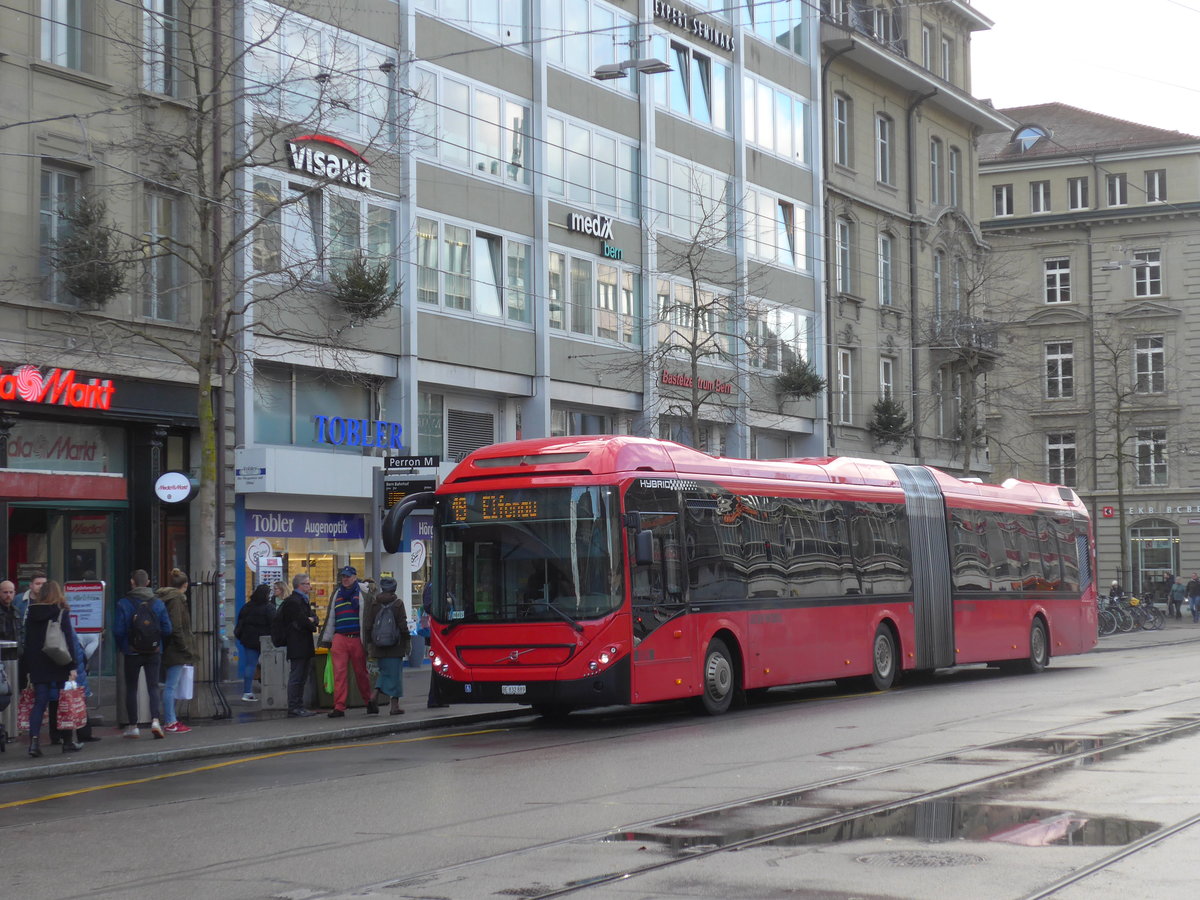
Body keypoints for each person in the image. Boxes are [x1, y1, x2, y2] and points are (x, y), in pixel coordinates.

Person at [21, 580, 81, 757]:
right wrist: (72, 665)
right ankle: (68, 741)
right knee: (64, 700)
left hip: (38, 663)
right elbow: (69, 639)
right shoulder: (60, 610)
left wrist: (29, 667)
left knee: (40, 702)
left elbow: (28, 641)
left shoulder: (31, 612)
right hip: (58, 659)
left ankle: (34, 743)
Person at [114, 569, 172, 739]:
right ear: (147, 583)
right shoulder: (158, 603)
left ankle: (133, 726)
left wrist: (124, 647)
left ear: (132, 582)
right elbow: (168, 629)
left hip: (131, 652)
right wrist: (158, 643)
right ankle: (155, 721)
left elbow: (118, 630)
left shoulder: (123, 603)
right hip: (154, 651)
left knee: (131, 688)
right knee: (153, 686)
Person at [319, 566, 378, 717]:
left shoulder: (364, 592)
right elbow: (331, 617)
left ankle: (369, 701)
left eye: (348, 576)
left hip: (357, 638)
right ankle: (339, 707)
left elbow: (373, 609)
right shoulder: (336, 594)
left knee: (361, 673)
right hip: (340, 637)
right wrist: (328, 637)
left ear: (354, 577)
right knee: (339, 674)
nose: (345, 579)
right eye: (343, 576)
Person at [363, 576, 410, 715]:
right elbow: (403, 626)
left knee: (383, 674)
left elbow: (368, 625)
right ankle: (394, 707)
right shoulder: (398, 604)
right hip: (395, 647)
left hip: (379, 647)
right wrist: (407, 641)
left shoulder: (374, 604)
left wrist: (370, 644)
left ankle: (373, 698)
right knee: (395, 677)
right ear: (394, 589)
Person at [158, 569, 196, 733]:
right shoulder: (177, 600)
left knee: (170, 685)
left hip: (168, 646)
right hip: (175, 649)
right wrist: (185, 648)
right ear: (185, 585)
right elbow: (177, 627)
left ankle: (170, 719)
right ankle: (170, 721)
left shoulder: (165, 597)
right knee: (171, 686)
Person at [277, 573, 319, 717]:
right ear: (299, 585)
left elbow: (314, 618)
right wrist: (311, 621)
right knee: (297, 676)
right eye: (307, 584)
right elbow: (304, 621)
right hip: (297, 643)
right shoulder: (293, 602)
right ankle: (294, 706)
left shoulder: (303, 600)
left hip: (303, 643)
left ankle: (299, 705)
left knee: (302, 676)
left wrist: (312, 620)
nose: (310, 586)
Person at [235, 584, 275, 702]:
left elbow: (240, 622)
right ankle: (271, 690)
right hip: (266, 640)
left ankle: (247, 692)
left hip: (248, 639)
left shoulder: (247, 607)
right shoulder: (269, 607)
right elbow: (275, 622)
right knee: (270, 666)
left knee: (250, 665)